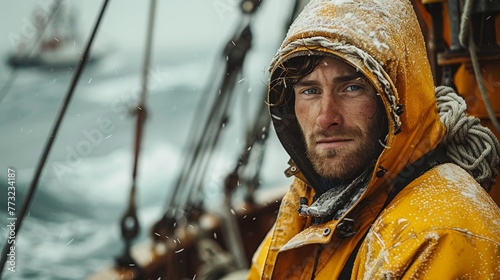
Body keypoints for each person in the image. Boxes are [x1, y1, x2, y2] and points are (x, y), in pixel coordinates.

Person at [247, 0, 500, 279]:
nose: (325, 117)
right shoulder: (309, 202)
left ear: (396, 101)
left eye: (352, 88)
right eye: (310, 91)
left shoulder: (439, 234)